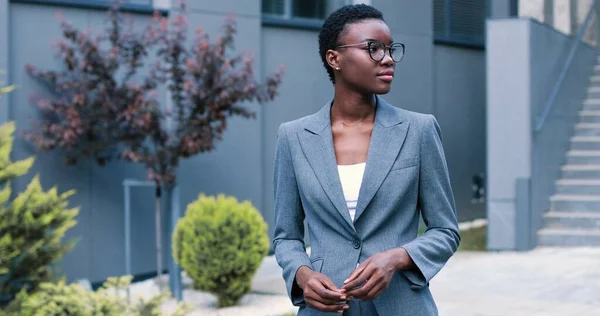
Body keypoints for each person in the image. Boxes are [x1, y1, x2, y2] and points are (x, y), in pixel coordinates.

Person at [272, 4, 460, 316]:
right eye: (373, 48)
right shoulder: (294, 137)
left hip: (403, 306)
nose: (387, 58)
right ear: (334, 59)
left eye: (390, 49)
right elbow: (286, 236)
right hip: (327, 309)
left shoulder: (419, 131)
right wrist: (303, 277)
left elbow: (446, 231)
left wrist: (397, 257)